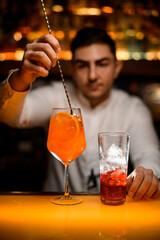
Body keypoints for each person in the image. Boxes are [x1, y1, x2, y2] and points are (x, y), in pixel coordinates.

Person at [0, 27, 160, 200]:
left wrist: (147, 175)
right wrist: (21, 78)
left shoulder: (133, 108)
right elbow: (10, 115)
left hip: (110, 211)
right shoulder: (55, 95)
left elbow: (149, 154)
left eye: (102, 64)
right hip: (55, 211)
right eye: (83, 65)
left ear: (117, 67)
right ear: (71, 69)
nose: (92, 75)